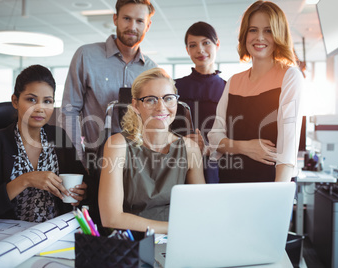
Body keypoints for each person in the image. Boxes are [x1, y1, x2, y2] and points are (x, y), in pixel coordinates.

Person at [0, 65, 89, 226]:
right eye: (31, 99)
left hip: (53, 234)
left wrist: (81, 193)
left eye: (47, 101)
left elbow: (84, 189)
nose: (40, 108)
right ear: (15, 101)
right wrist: (25, 180)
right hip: (6, 236)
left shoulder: (59, 137)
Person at [98, 68, 205, 234]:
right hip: (134, 239)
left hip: (178, 239)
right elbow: (111, 218)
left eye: (168, 98)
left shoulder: (190, 148)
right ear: (135, 106)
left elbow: (201, 209)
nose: (161, 107)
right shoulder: (118, 145)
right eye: (150, 100)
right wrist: (174, 229)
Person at [208, 0, 304, 183]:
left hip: (268, 184)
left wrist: (277, 199)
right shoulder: (234, 81)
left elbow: (287, 150)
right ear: (245, 34)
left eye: (268, 30)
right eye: (253, 30)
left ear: (279, 35)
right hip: (229, 182)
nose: (259, 37)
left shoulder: (290, 76)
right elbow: (214, 138)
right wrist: (245, 147)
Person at [61, 0, 157, 168]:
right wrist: (79, 160)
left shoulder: (152, 69)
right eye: (126, 18)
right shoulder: (86, 55)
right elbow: (69, 111)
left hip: (138, 162)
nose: (132, 26)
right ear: (115, 19)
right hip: (95, 160)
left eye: (139, 21)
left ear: (148, 25)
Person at [175, 21, 226, 183]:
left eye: (206, 43)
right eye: (193, 45)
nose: (200, 50)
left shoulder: (228, 88)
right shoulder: (174, 87)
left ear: (217, 44)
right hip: (181, 161)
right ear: (187, 50)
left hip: (219, 163)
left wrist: (210, 149)